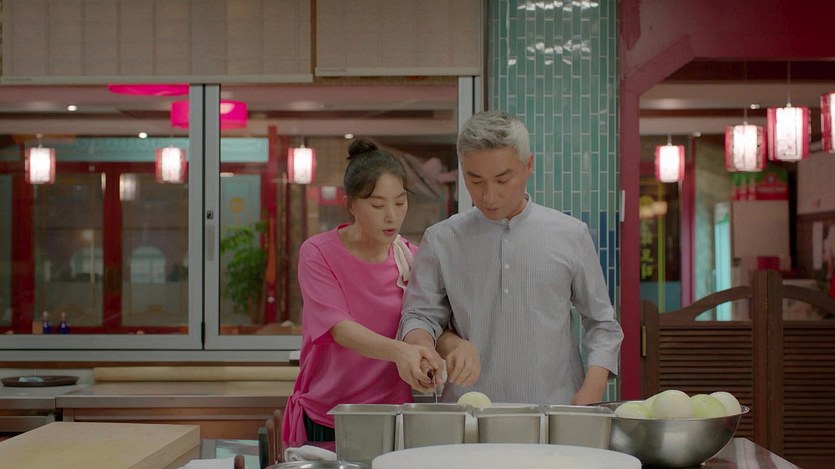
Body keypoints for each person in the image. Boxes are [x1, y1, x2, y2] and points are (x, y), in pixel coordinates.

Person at [399, 110, 624, 405]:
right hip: (469, 414)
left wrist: (592, 388)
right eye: (475, 180)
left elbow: (602, 324)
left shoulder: (571, 235)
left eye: (502, 180)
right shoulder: (441, 240)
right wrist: (425, 350)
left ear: (528, 165)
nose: (489, 195)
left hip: (554, 411)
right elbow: (419, 316)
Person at [283, 139, 443, 447]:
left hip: (393, 418)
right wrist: (400, 352)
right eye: (378, 205)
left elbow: (426, 322)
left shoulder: (412, 259)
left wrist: (425, 356)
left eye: (400, 202)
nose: (391, 216)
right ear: (351, 205)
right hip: (329, 416)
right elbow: (340, 329)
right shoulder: (318, 253)